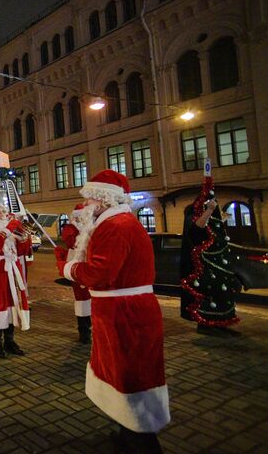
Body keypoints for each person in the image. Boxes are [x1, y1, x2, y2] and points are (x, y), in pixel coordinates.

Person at [55, 170, 169, 454]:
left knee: (132, 378)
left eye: (91, 198)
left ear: (104, 198)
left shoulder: (115, 226)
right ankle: (127, 431)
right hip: (120, 312)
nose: (87, 204)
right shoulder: (116, 222)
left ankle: (142, 444)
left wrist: (66, 267)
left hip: (125, 315)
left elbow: (99, 273)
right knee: (123, 376)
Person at [180, 194, 241, 336]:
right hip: (205, 269)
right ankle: (206, 325)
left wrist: (220, 217)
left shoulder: (211, 221)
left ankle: (221, 323)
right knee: (211, 296)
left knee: (223, 296)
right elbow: (197, 230)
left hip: (218, 267)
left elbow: (211, 232)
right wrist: (208, 211)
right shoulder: (193, 217)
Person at [0, 203, 32, 359]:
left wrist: (24, 237)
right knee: (0, 303)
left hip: (13, 267)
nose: (2, 214)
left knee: (12, 302)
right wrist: (9, 228)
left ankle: (10, 341)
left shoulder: (9, 231)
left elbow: (22, 251)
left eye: (4, 211)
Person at [58, 204, 92, 344]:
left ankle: (91, 326)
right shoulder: (70, 228)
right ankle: (83, 330)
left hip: (89, 263)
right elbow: (72, 242)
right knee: (81, 297)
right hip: (76, 265)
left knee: (91, 295)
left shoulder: (89, 227)